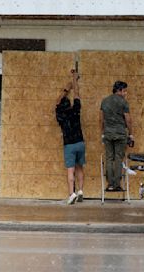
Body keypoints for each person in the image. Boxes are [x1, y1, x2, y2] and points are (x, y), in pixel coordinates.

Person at [55, 70, 85, 205]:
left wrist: (67, 88)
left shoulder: (60, 115)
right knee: (80, 168)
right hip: (80, 143)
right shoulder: (76, 110)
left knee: (70, 170)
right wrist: (74, 80)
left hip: (69, 145)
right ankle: (80, 191)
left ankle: (71, 193)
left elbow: (57, 102)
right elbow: (77, 94)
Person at [100, 80, 134, 192]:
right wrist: (131, 133)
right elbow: (128, 120)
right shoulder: (123, 102)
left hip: (108, 133)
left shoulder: (104, 101)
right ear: (119, 90)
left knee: (109, 158)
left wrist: (102, 133)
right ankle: (117, 185)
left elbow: (101, 119)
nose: (125, 93)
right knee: (119, 158)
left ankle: (110, 184)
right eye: (124, 91)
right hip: (120, 134)